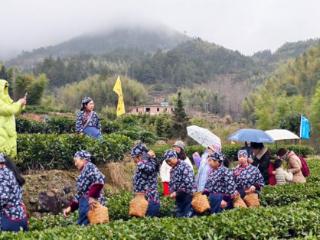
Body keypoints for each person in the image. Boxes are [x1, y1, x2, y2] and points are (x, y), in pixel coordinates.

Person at [63, 151, 106, 225]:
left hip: (90, 204)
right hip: (84, 204)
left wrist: (92, 197)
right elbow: (79, 194)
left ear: (83, 159)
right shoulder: (83, 172)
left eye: (76, 161)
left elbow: (99, 180)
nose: (75, 164)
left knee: (89, 225)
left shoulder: (90, 166)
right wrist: (70, 208)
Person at [0, 153, 28, 232]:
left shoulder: (2, 174)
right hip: (20, 216)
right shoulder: (11, 174)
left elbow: (2, 198)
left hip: (8, 218)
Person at [131, 143, 160, 217]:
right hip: (142, 200)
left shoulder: (149, 163)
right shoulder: (142, 163)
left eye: (134, 157)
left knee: (149, 222)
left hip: (150, 200)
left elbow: (149, 169)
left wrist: (146, 157)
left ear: (140, 156)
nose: (134, 160)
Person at [0, 79, 27, 157]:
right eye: (3, 88)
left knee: (8, 160)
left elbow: (15, 112)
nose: (5, 90)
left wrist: (21, 105)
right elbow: (10, 110)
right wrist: (19, 103)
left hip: (8, 133)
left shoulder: (6, 101)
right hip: (2, 134)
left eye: (6, 88)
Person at [165, 150, 195, 218]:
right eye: (167, 162)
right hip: (179, 197)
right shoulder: (173, 169)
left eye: (169, 160)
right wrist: (172, 191)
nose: (168, 163)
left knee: (187, 217)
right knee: (179, 216)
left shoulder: (185, 166)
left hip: (187, 197)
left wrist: (177, 192)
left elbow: (188, 183)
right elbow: (172, 182)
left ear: (175, 157)